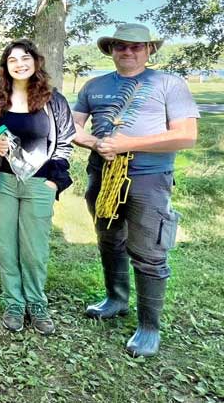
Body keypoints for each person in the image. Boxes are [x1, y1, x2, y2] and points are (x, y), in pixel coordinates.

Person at [72, 23, 198, 357]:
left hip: (148, 179)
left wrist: (131, 143)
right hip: (102, 174)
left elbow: (186, 135)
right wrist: (97, 143)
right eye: (120, 46)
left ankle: (149, 327)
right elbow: (70, 126)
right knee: (109, 239)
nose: (127, 52)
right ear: (111, 49)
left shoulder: (169, 84)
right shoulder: (94, 85)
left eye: (136, 47)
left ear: (149, 50)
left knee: (149, 252)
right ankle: (115, 299)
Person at [0, 39, 75, 335]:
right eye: (12, 59)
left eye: (25, 57)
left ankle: (37, 302)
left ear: (36, 61)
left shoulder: (53, 100)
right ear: (5, 66)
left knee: (34, 249)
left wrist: (53, 181)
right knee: (5, 246)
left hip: (39, 183)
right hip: (2, 181)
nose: (19, 63)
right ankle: (13, 303)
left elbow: (66, 142)